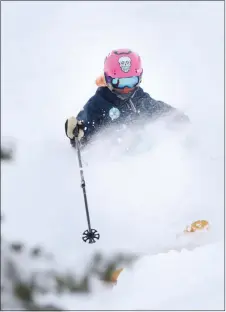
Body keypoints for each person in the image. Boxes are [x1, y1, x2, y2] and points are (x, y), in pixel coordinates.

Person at [65, 49, 189, 148]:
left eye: (131, 81)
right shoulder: (98, 103)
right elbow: (85, 127)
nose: (126, 89)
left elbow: (156, 108)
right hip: (115, 161)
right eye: (119, 82)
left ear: (139, 78)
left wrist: (175, 116)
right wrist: (76, 133)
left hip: (141, 155)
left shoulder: (138, 97)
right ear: (108, 79)